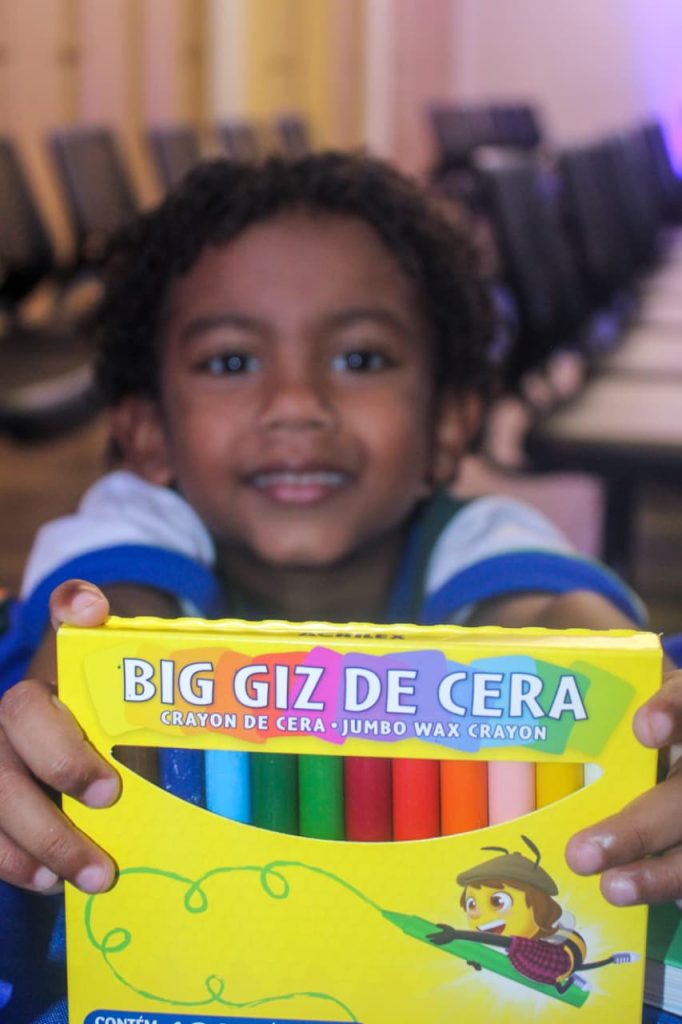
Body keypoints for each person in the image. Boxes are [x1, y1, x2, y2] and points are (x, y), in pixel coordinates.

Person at [1, 152, 681, 1021]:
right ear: (147, 432)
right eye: (230, 363)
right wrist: (60, 712)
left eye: (361, 358)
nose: (297, 403)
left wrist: (650, 721)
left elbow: (569, 627)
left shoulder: (484, 535)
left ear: (449, 423)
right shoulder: (131, 532)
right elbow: (100, 627)